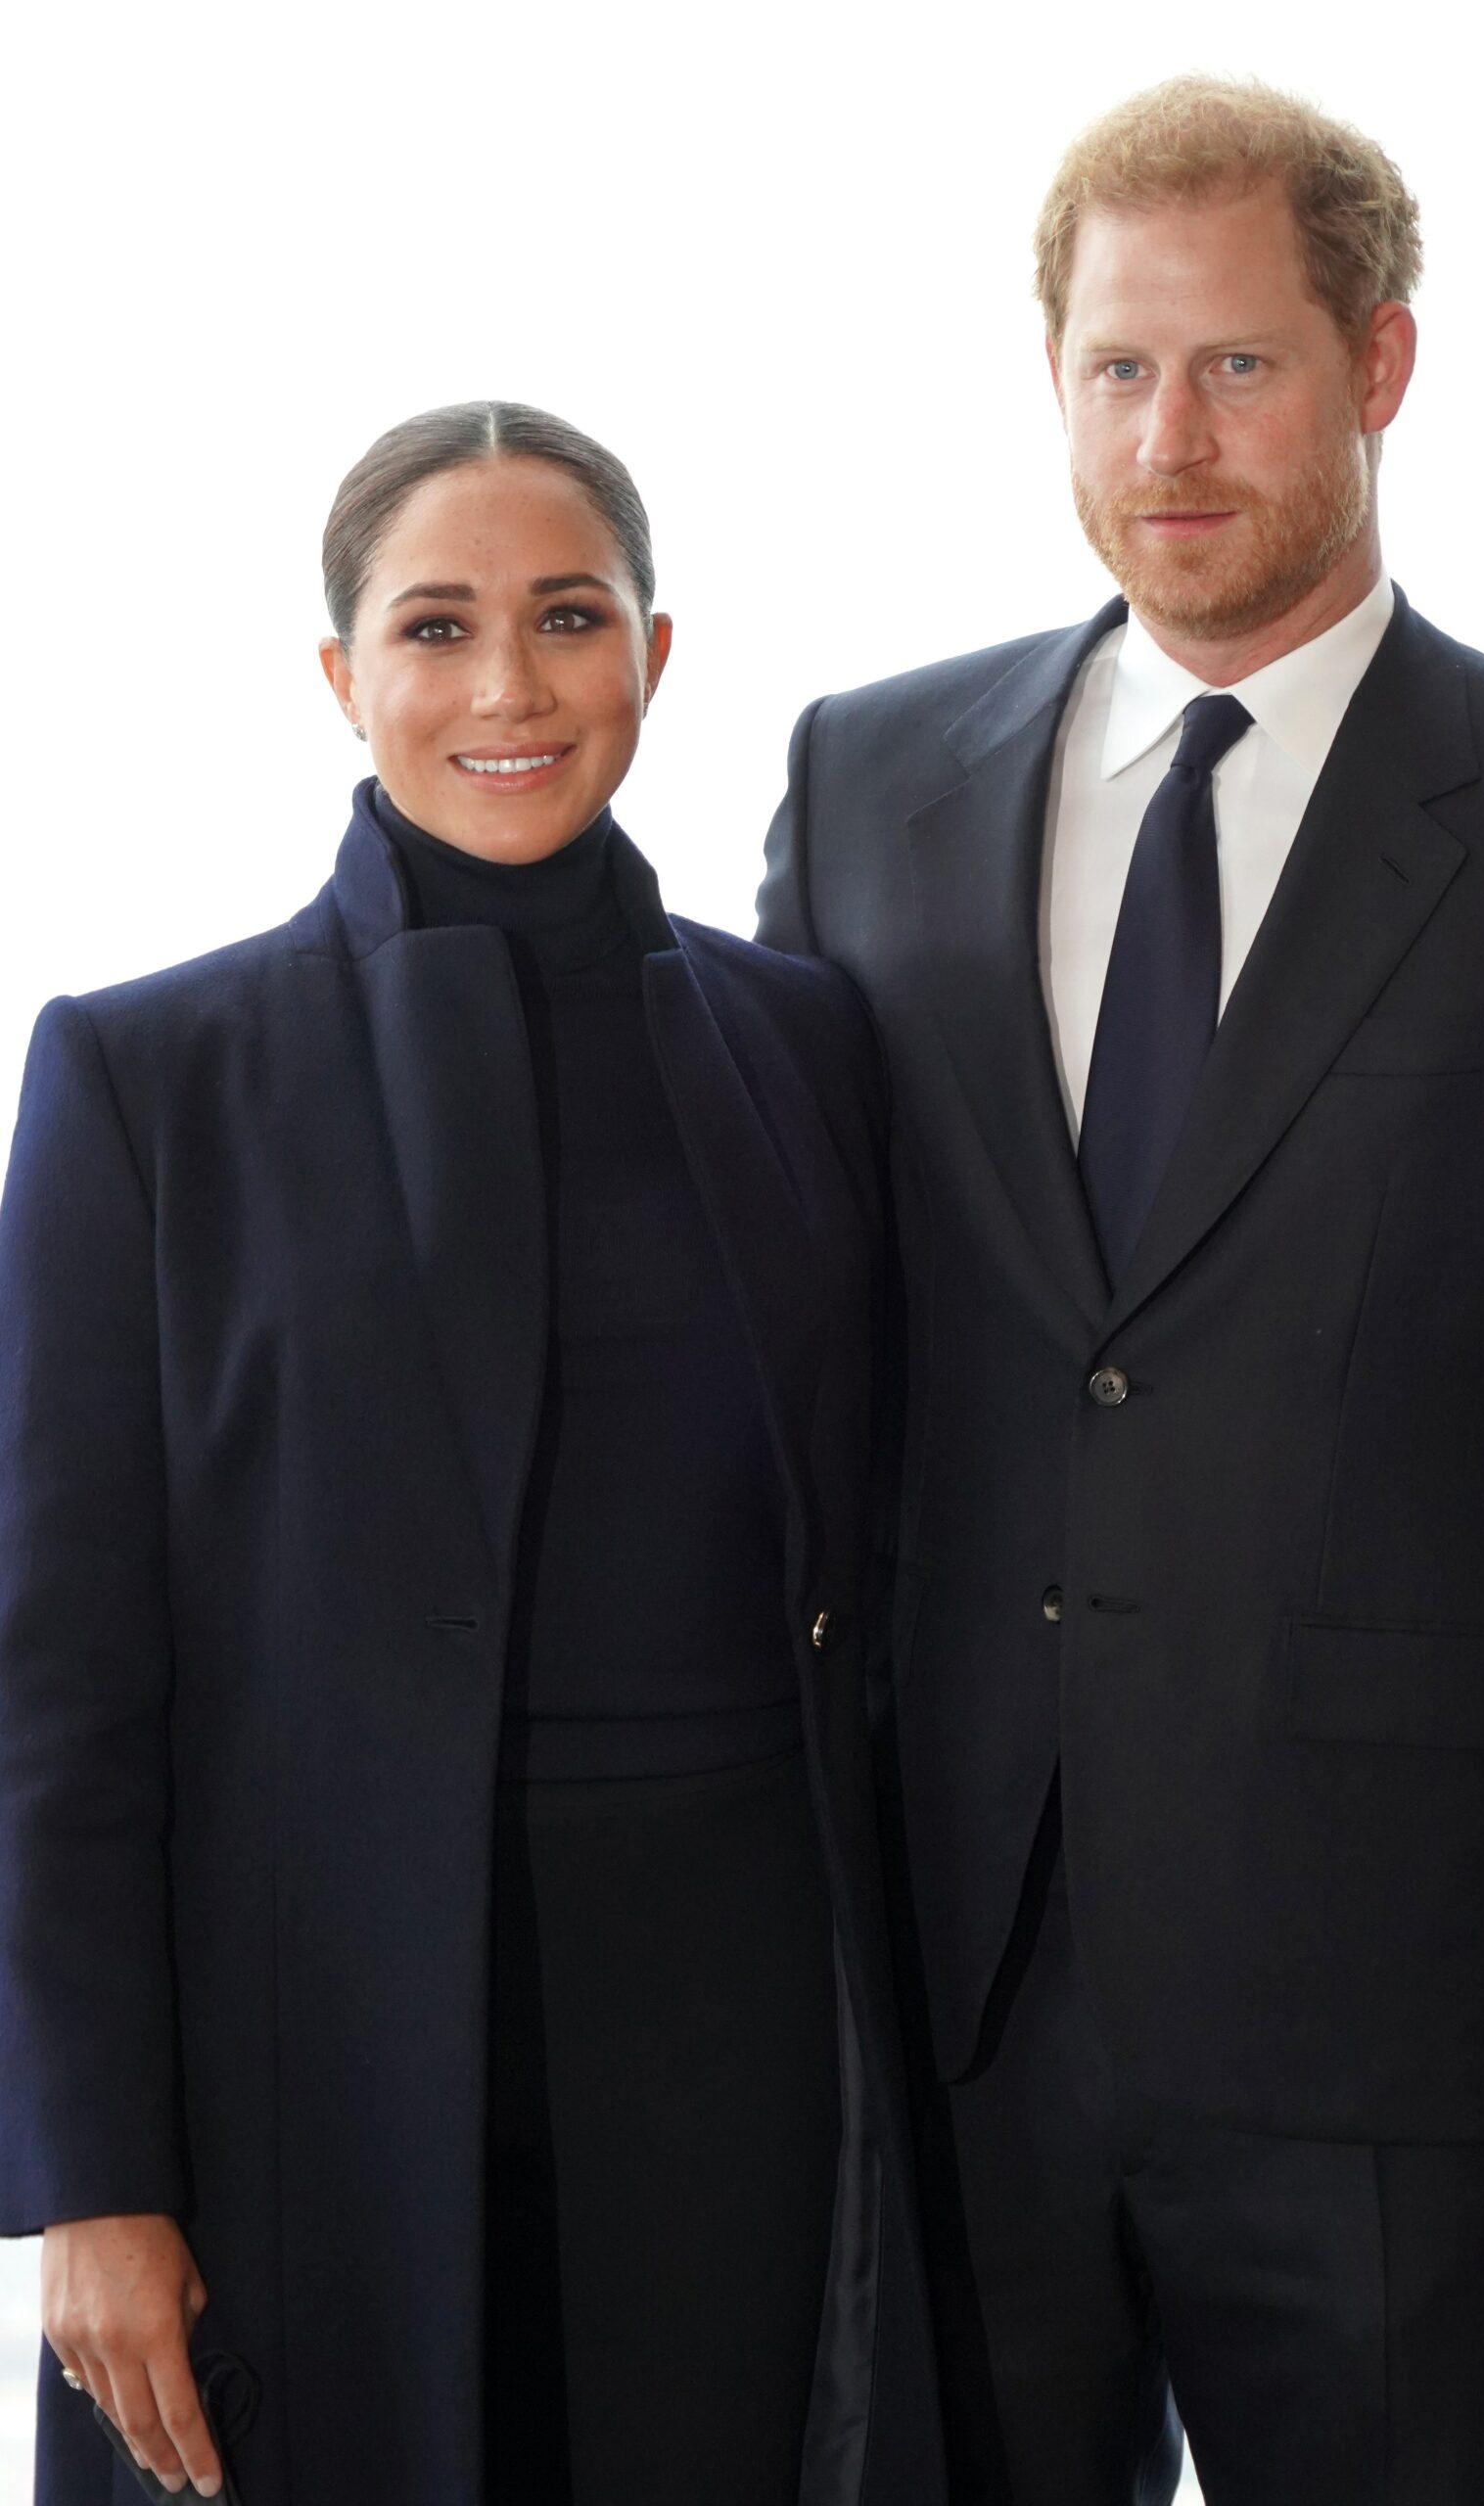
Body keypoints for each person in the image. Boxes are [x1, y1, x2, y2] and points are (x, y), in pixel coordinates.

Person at [756, 72, 1484, 2506]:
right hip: (958, 1999)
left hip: (1401, 2041)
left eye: (1239, 365)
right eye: (1114, 367)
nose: (1169, 436)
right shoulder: (864, 786)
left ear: (1379, 366)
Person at [0, 401, 946, 2506]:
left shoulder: (800, 1035)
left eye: (566, 617)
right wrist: (90, 2176)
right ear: (341, 676)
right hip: (315, 2033)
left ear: (654, 653)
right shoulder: (144, 1073)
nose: (508, 686)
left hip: (736, 2034)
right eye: (436, 625)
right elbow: (58, 1684)